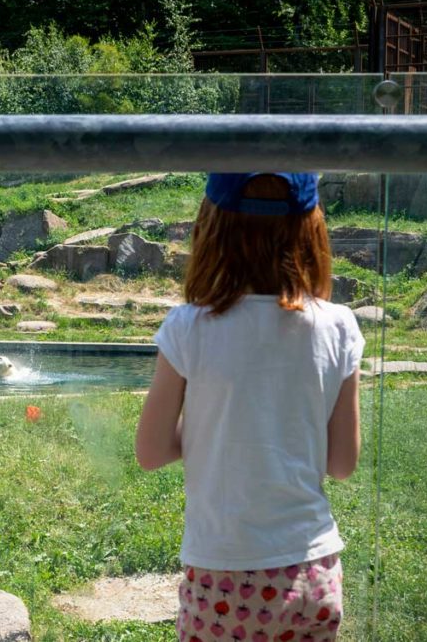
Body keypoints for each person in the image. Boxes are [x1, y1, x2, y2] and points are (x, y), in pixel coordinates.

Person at [135, 173, 364, 642]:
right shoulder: (339, 326)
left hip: (225, 578)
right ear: (312, 229)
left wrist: (209, 429)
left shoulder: (188, 327)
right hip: (314, 571)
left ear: (210, 230)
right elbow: (342, 463)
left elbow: (151, 451)